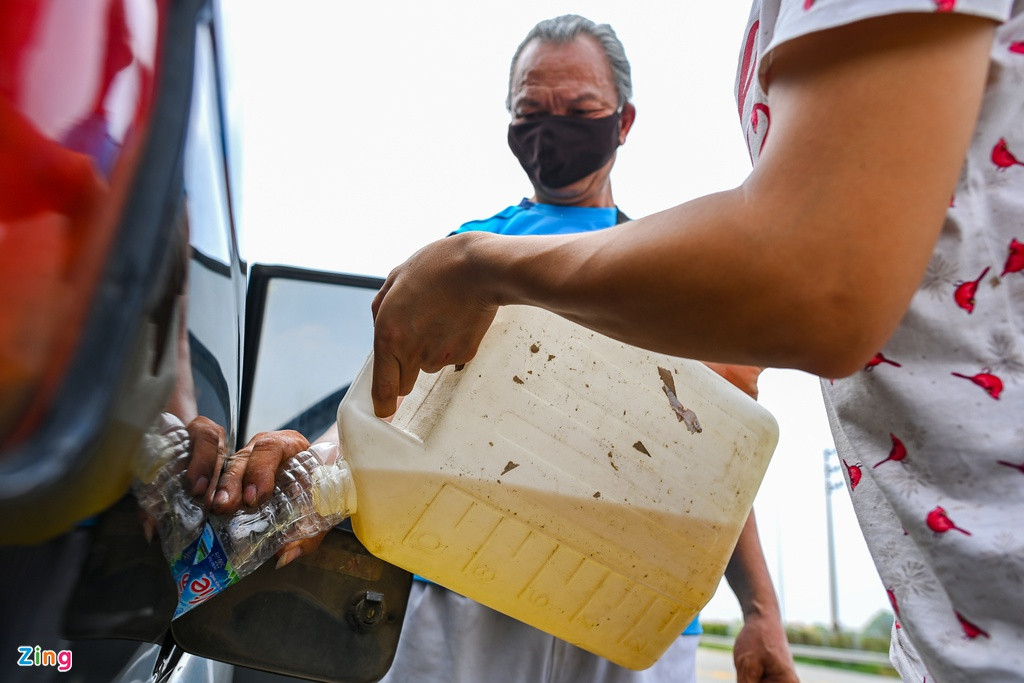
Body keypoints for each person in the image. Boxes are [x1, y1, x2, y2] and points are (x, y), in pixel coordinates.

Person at [367, 3, 1024, 682]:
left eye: (578, 108)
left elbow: (706, 454)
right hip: (471, 570)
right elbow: (391, 401)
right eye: (531, 112)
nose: (552, 130)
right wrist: (316, 461)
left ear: (623, 121)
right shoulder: (459, 259)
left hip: (625, 591)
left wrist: (760, 606)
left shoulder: (657, 280)